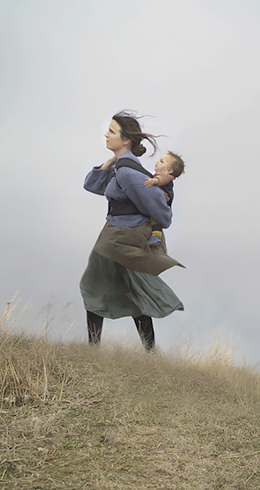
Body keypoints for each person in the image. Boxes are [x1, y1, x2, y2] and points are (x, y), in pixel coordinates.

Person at [79, 110, 184, 351]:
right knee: (126, 289)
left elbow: (164, 215)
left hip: (122, 236)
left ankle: (95, 349)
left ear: (126, 140)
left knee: (96, 286)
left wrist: (146, 227)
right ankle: (147, 351)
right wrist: (109, 163)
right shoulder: (122, 168)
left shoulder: (128, 172)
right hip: (114, 232)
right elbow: (91, 185)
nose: (106, 134)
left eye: (112, 131)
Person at [144, 151, 185, 245]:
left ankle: (156, 236)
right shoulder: (158, 176)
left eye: (162, 161)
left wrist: (154, 181)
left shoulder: (166, 177)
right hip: (160, 201)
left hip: (164, 203)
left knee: (155, 219)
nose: (158, 162)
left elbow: (162, 180)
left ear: (169, 170)